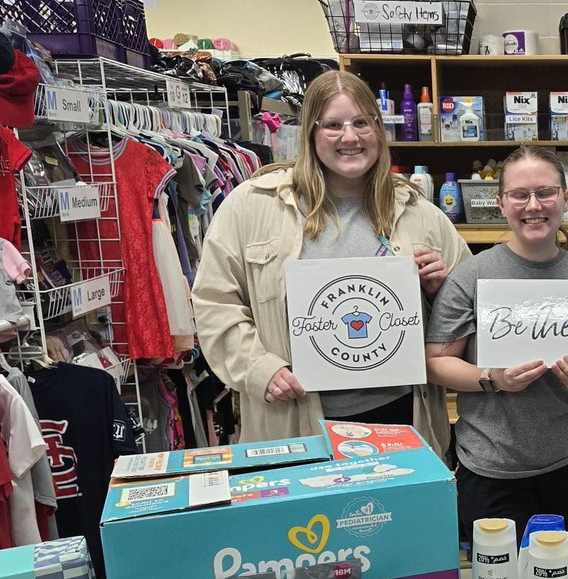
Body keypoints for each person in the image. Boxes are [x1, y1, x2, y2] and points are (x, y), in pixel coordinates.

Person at [191, 70, 469, 454]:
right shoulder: (251, 206)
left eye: (362, 123)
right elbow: (214, 302)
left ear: (378, 129)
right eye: (333, 125)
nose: (350, 137)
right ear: (311, 132)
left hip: (403, 417)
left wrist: (438, 293)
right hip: (295, 421)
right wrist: (258, 368)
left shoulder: (419, 212)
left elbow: (467, 309)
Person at [425, 146, 568, 537]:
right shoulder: (471, 277)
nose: (533, 205)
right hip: (490, 466)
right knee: (501, 573)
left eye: (545, 192)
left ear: (566, 198)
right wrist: (493, 379)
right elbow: (437, 362)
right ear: (501, 203)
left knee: (567, 568)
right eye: (519, 195)